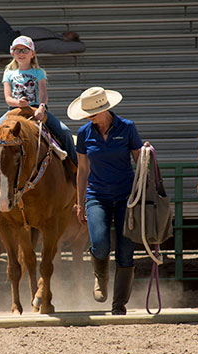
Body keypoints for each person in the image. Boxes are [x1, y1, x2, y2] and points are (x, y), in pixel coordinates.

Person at [67, 86, 150, 315]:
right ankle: (100, 276)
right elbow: (82, 170)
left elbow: (139, 161)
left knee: (125, 249)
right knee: (100, 242)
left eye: (92, 114)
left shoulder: (127, 128)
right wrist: (80, 203)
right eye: (87, 115)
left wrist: (146, 153)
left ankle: (119, 304)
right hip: (97, 195)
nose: (89, 118)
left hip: (126, 196)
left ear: (105, 109)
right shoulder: (84, 133)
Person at [0, 35, 78, 193]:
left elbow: (43, 94)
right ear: (12, 53)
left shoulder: (39, 73)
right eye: (17, 50)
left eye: (25, 50)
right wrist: (18, 103)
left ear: (32, 53)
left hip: (37, 110)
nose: (21, 53)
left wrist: (41, 108)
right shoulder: (9, 73)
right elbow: (8, 98)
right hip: (15, 111)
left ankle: (75, 168)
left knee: (64, 131)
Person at [0, 13, 86, 86]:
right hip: (14, 34)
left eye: (72, 34)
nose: (70, 31)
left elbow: (81, 47)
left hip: (15, 41)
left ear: (71, 40)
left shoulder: (60, 45)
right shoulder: (57, 36)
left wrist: (71, 41)